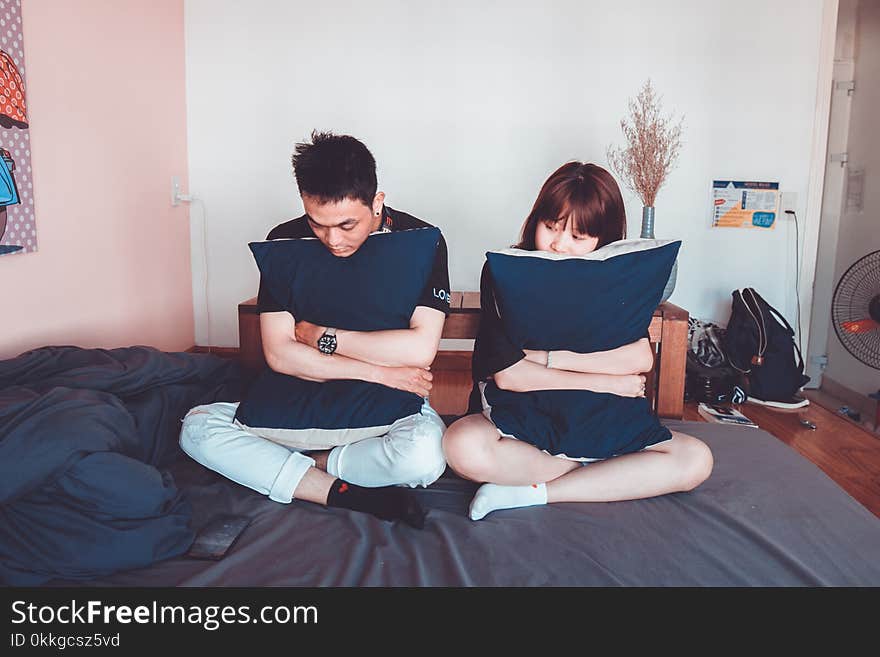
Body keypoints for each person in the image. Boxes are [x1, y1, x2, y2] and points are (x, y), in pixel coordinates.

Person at [180, 131, 451, 528]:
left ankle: (307, 467)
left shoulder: (422, 240)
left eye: (346, 224)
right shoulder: (285, 240)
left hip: (384, 402)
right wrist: (379, 369)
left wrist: (320, 336)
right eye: (318, 224)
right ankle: (338, 491)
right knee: (197, 429)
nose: (332, 240)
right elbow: (280, 354)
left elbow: (418, 350)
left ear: (377, 201)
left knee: (425, 455)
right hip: (307, 394)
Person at [442, 162, 713, 521]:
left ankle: (537, 491)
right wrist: (606, 379)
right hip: (526, 417)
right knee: (461, 446)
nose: (558, 244)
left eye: (578, 237)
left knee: (696, 460)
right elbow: (511, 376)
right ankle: (609, 479)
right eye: (550, 227)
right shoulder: (506, 272)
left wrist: (544, 358)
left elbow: (638, 359)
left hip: (603, 418)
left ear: (603, 239)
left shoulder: (616, 279)